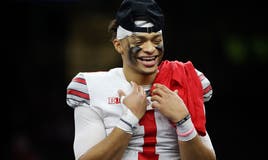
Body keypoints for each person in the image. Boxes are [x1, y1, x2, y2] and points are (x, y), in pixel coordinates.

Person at [66, 0, 216, 159]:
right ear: (118, 45)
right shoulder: (91, 87)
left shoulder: (186, 79)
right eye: (139, 42)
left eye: (156, 41)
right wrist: (129, 119)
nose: (151, 49)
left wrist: (183, 121)